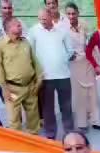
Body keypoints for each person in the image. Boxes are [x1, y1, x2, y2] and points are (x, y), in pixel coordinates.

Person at [30, 8, 75, 141]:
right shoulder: (33, 31)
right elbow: (30, 52)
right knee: (48, 108)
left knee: (66, 106)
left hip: (63, 75)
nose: (42, 21)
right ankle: (50, 134)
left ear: (50, 16)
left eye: (44, 18)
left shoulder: (62, 30)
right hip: (45, 76)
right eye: (40, 19)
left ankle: (69, 132)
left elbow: (70, 50)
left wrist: (62, 60)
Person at [0, 17, 42, 135]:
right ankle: (18, 143)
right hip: (12, 89)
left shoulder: (25, 42)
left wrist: (39, 80)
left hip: (30, 86)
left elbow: (35, 62)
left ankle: (34, 139)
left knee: (33, 117)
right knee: (14, 119)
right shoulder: (0, 45)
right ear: (9, 28)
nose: (21, 27)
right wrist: (4, 89)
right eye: (18, 25)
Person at [64, 4, 100, 135]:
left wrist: (97, 64)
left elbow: (90, 45)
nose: (71, 16)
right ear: (66, 15)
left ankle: (96, 121)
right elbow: (61, 47)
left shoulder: (84, 25)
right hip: (74, 64)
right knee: (79, 95)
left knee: (92, 92)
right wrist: (68, 56)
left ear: (78, 13)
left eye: (73, 13)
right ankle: (82, 123)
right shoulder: (63, 29)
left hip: (87, 62)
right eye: (68, 14)